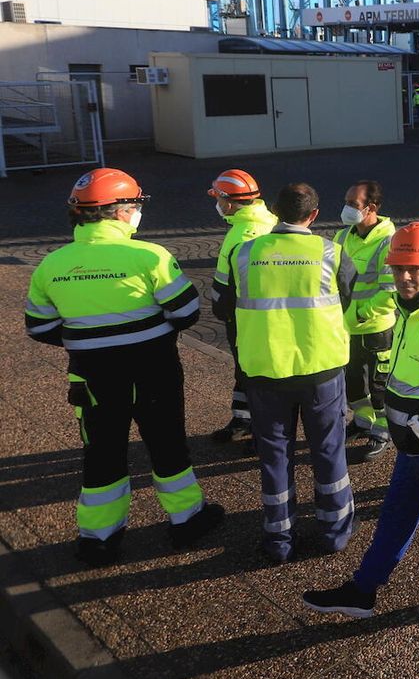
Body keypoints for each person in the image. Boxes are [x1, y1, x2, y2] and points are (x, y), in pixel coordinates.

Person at [25, 168, 225, 566]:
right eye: (134, 204)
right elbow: (186, 314)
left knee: (101, 451)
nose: (137, 211)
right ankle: (186, 520)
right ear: (118, 211)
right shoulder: (150, 256)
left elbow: (40, 326)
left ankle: (99, 539)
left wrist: (88, 340)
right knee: (167, 443)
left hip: (92, 376)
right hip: (155, 371)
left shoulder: (51, 265)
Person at [302, 223, 419, 621]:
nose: (405, 277)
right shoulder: (413, 306)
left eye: (415, 269)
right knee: (396, 514)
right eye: (399, 268)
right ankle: (363, 588)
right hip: (417, 440)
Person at [215, 183, 356, 564]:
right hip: (320, 369)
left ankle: (279, 536)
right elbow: (346, 297)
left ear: (274, 212)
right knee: (328, 449)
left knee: (275, 454)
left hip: (264, 370)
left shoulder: (244, 253)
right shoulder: (331, 252)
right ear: (313, 216)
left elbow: (223, 306)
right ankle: (334, 531)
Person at [206, 168, 277, 444]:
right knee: (246, 371)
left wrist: (222, 312)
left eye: (218, 198)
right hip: (263, 313)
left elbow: (227, 284)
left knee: (251, 371)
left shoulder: (242, 233)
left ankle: (260, 430)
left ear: (229, 202)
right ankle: (243, 420)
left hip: (245, 317)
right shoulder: (269, 220)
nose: (217, 204)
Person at [337, 180, 396, 465]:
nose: (346, 208)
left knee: (380, 385)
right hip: (345, 328)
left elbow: (391, 291)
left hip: (375, 327)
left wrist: (360, 314)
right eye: (347, 202)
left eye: (353, 204)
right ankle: (362, 422)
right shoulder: (341, 237)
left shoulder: (389, 241)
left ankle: (383, 431)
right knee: (353, 383)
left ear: (371, 208)